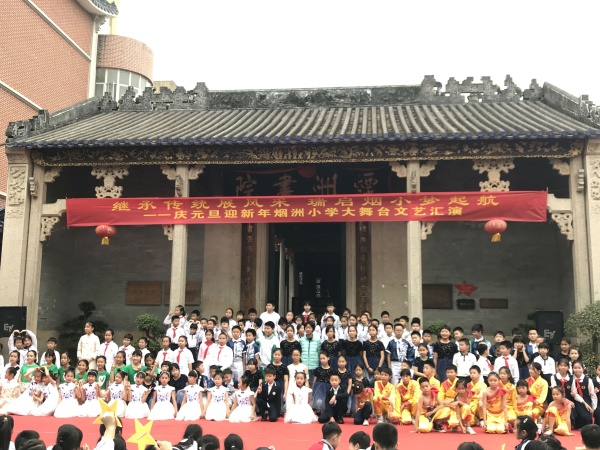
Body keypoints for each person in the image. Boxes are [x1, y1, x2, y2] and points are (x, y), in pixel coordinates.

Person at [572, 360, 597, 429]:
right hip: (575, 399)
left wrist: (593, 408)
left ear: (583, 369)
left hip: (586, 398)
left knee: (587, 417)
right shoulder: (571, 379)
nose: (577, 370)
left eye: (579, 368)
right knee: (580, 415)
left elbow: (592, 394)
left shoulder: (588, 380)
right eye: (575, 368)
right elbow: (575, 394)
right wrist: (584, 403)